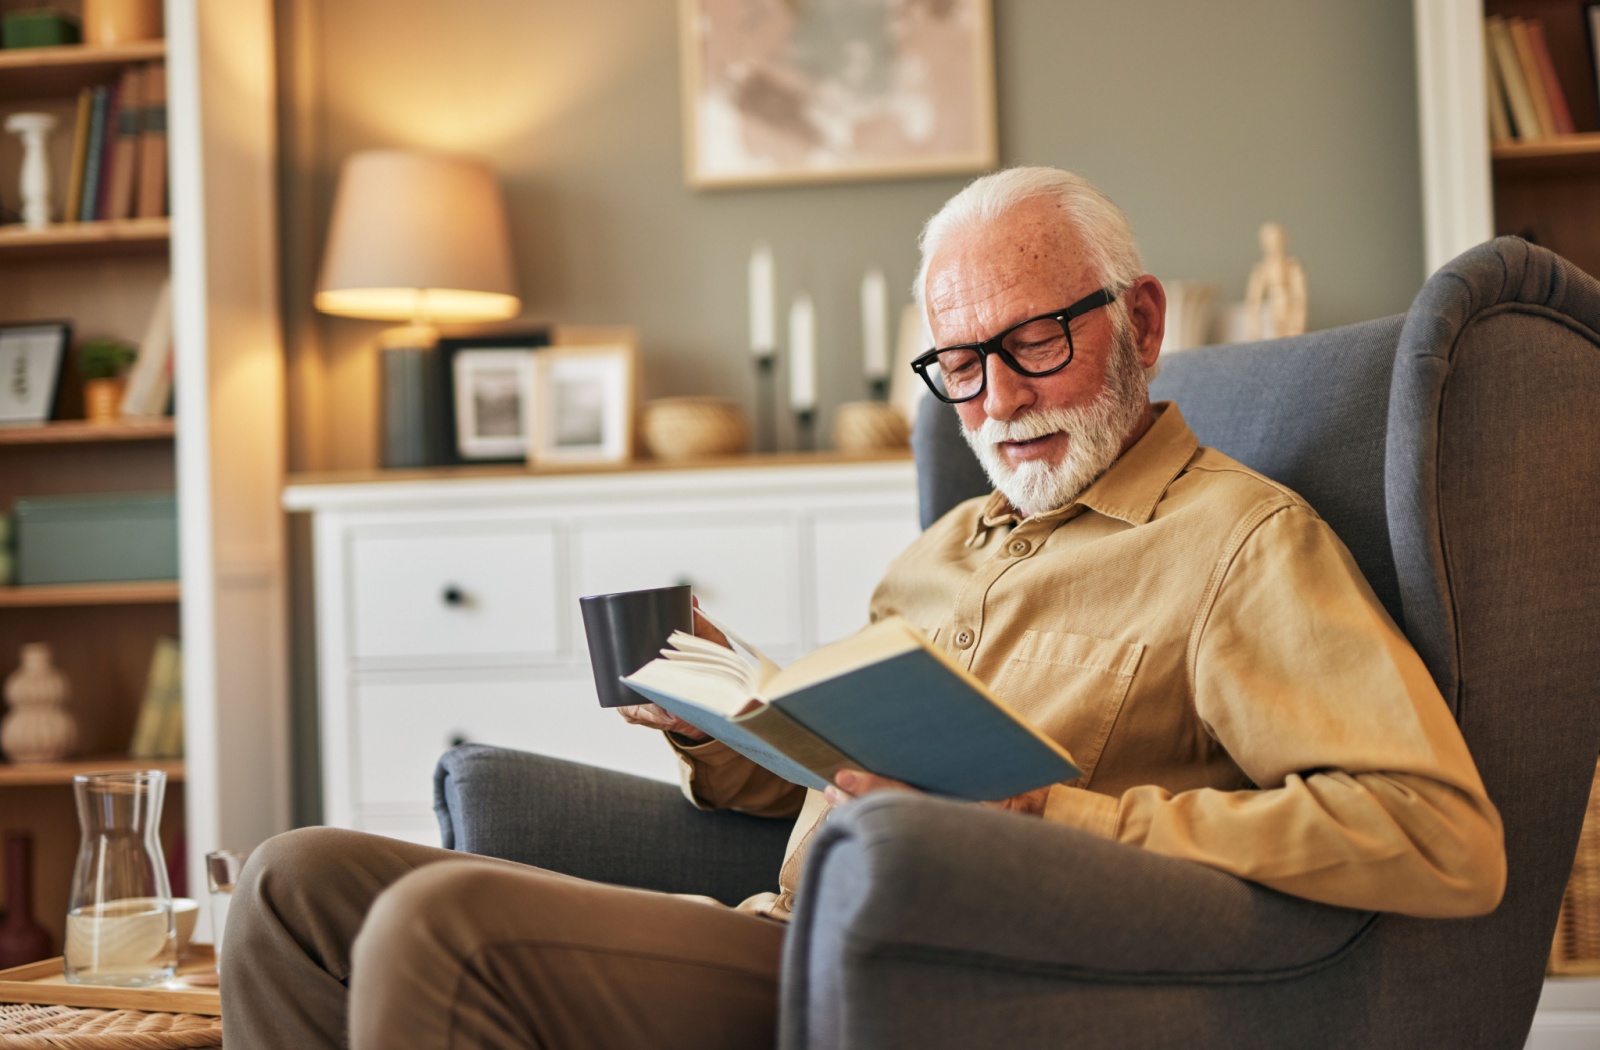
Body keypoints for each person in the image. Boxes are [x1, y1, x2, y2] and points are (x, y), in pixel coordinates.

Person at [222, 167, 1505, 1048]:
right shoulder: (947, 547)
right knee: (294, 881)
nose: (997, 401)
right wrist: (718, 720)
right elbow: (833, 778)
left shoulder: (1236, 545)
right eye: (960, 363)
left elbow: (1438, 833)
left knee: (446, 927)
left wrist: (1056, 819)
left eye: (1035, 343)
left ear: (1140, 321)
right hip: (773, 921)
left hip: (922, 968)